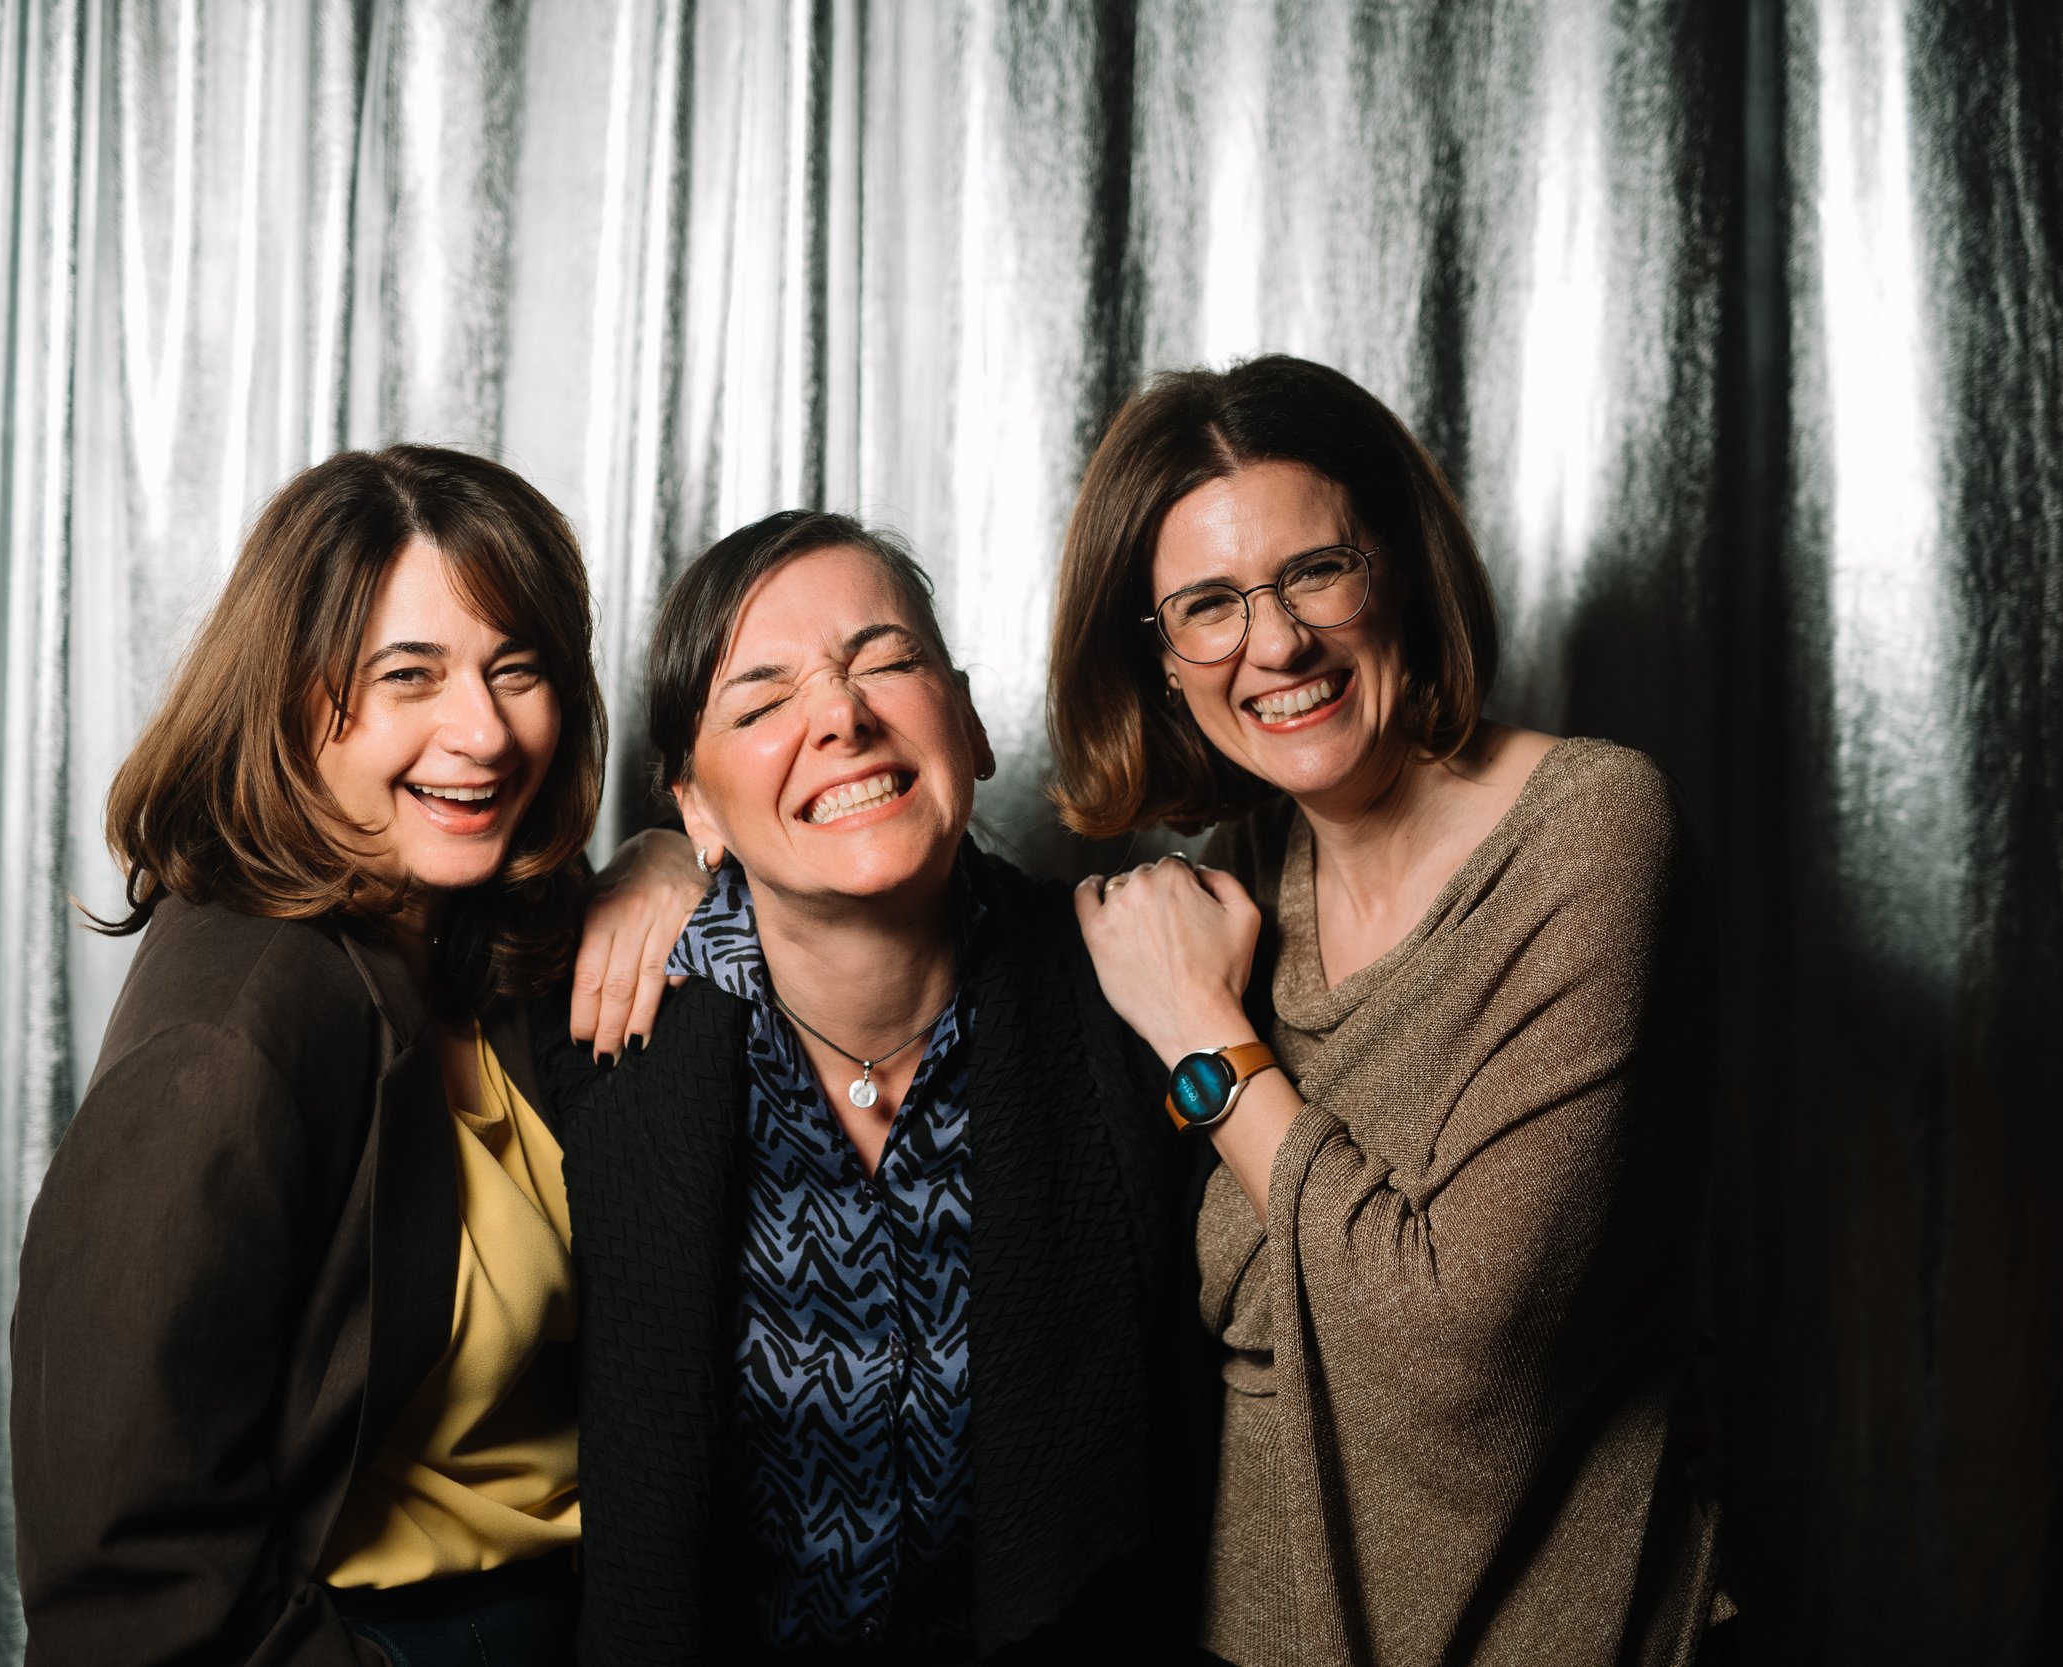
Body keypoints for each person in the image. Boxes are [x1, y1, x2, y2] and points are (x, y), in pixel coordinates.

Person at [1045, 355, 1726, 1666]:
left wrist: (1204, 1035)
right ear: (1163, 660)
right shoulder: (1233, 878)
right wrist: (681, 859)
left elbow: (1458, 1350)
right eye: (1208, 605)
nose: (1276, 642)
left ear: (1400, 565)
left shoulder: (1589, 831)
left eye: (1315, 570)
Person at [541, 510, 1207, 1664]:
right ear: (693, 807)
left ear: (969, 722)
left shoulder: (1139, 999)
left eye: (885, 662)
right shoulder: (598, 1042)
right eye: (759, 704)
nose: (840, 717)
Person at [10, 446, 606, 1665]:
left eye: (516, 669)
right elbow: (124, 1576)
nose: (482, 732)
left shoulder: (477, 934)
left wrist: (668, 860)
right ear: (288, 698)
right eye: (410, 676)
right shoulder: (230, 1034)